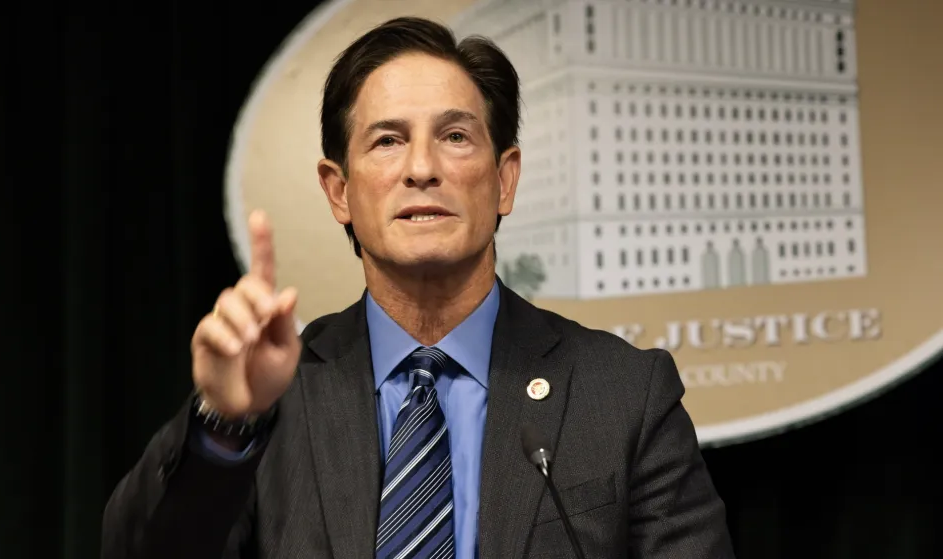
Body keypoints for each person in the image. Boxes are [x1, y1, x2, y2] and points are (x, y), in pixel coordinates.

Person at [101, 16, 735, 559]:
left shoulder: (622, 395)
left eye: (455, 136)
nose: (423, 169)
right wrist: (226, 423)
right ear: (339, 190)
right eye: (387, 141)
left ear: (504, 180)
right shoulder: (273, 400)